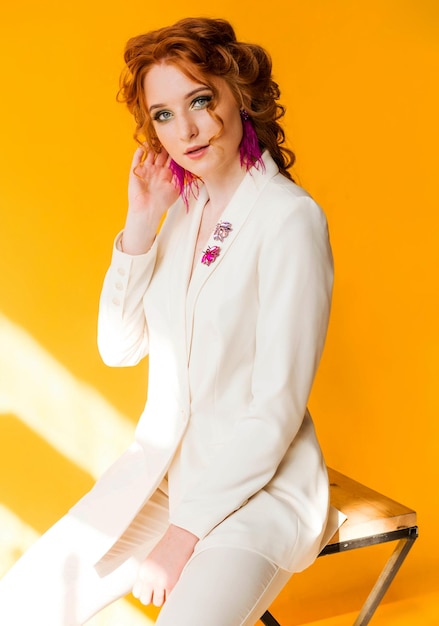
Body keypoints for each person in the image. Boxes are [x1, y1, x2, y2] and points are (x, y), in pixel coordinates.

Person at [0, 16, 341, 625]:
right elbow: (119, 347)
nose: (184, 129)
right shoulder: (184, 210)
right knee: (18, 606)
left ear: (239, 92)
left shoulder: (290, 220)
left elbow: (275, 409)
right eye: (162, 114)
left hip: (255, 493)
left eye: (200, 101)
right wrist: (142, 220)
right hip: (162, 478)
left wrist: (182, 537)